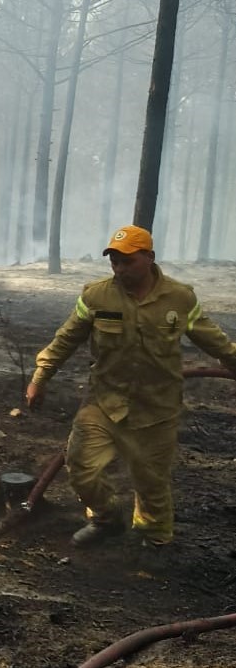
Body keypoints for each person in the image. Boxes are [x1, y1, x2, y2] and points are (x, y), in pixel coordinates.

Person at [25, 224, 236, 548]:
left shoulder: (180, 298)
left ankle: (153, 539)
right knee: (81, 470)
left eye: (128, 261)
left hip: (157, 408)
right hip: (104, 401)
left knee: (151, 482)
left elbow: (215, 340)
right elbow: (66, 339)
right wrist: (40, 377)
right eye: (114, 262)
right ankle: (106, 517)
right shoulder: (96, 295)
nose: (120, 269)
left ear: (149, 258)